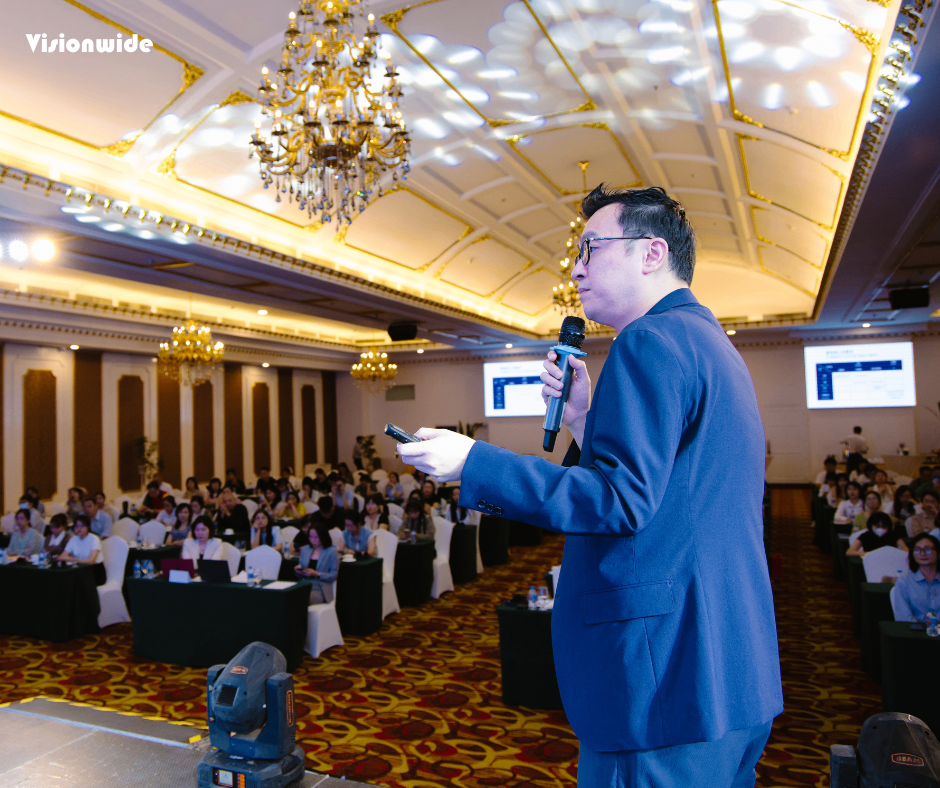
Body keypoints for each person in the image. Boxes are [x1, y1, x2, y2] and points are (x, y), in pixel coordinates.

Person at [397, 184, 782, 786]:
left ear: (651, 253)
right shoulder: (710, 343)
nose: (575, 269)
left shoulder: (647, 340)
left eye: (591, 249)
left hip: (662, 674)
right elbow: (672, 492)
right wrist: (582, 419)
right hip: (728, 661)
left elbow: (620, 501)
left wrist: (474, 462)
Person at [890, 533, 940, 623]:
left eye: (927, 549)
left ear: (938, 553)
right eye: (917, 550)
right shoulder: (904, 582)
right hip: (916, 630)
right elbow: (904, 618)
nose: (922, 553)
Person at [295, 524, 339, 604]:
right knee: (290, 596)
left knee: (302, 598)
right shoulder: (305, 549)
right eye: (310, 537)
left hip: (320, 588)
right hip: (304, 585)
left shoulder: (331, 552)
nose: (313, 540)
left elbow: (334, 575)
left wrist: (317, 574)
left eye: (316, 537)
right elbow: (300, 575)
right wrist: (299, 571)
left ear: (323, 537)